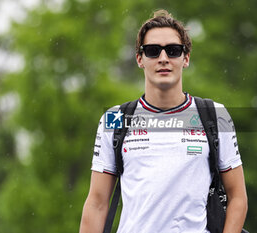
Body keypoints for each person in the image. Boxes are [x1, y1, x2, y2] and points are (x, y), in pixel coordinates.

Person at [80, 9, 248, 233]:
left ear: (185, 58)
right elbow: (97, 203)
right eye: (152, 51)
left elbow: (238, 197)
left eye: (173, 50)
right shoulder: (115, 118)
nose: (163, 58)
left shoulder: (216, 115)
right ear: (140, 59)